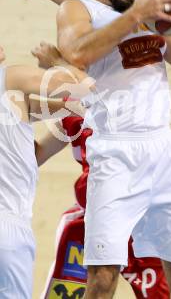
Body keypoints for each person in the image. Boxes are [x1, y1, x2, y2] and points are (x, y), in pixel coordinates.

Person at [7, 0, 171, 299]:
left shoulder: (145, 16)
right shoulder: (79, 11)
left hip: (164, 149)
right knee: (101, 278)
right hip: (115, 152)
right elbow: (77, 50)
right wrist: (135, 16)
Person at [0, 46, 91, 299]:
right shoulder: (10, 78)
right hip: (7, 226)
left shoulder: (18, 100)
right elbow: (84, 89)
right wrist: (57, 62)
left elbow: (35, 154)